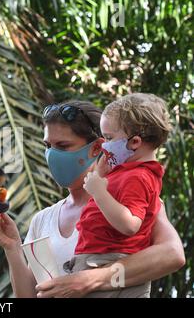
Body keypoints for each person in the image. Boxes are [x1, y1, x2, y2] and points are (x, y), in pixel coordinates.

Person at [0, 99, 185, 298]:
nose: (52, 155)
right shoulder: (42, 220)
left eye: (63, 146)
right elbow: (31, 295)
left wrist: (90, 280)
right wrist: (12, 248)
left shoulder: (129, 201)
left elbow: (173, 255)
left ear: (97, 148)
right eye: (48, 145)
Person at [70, 93, 171, 297]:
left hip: (108, 261)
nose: (104, 144)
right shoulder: (126, 171)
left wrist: (99, 192)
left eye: (108, 138)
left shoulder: (139, 177)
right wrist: (101, 175)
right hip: (100, 260)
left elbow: (130, 224)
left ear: (134, 142)